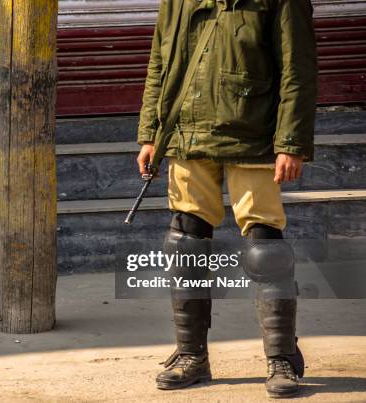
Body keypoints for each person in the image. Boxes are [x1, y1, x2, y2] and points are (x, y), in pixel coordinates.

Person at [136, 0, 317, 398]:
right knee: (185, 244)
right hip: (187, 136)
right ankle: (191, 355)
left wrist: (291, 143)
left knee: (265, 250)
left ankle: (281, 357)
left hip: (253, 137)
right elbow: (159, 62)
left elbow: (297, 70)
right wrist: (150, 133)